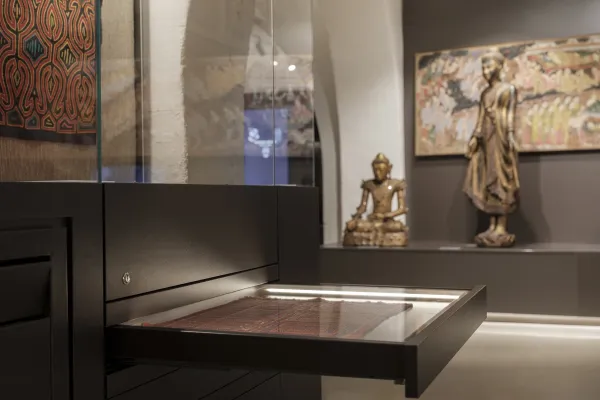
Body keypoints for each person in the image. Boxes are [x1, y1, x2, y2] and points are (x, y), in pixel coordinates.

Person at [464, 52, 520, 247]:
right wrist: (475, 137)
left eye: (489, 67)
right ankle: (492, 225)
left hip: (501, 135)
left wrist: (511, 134)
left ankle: (501, 227)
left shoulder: (508, 89)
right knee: (487, 177)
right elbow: (480, 118)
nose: (485, 71)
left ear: (499, 66)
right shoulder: (485, 94)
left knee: (502, 179)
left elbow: (510, 113)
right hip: (487, 139)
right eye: (483, 68)